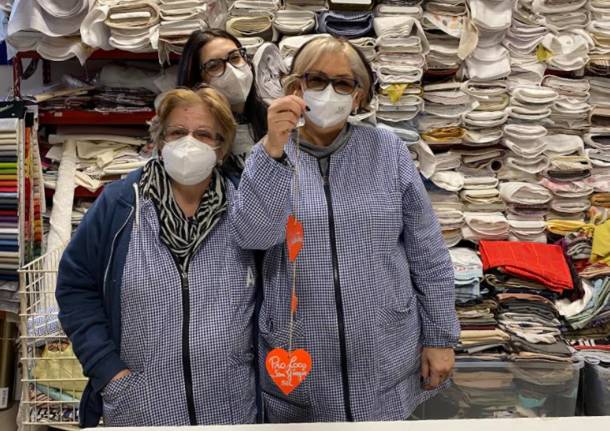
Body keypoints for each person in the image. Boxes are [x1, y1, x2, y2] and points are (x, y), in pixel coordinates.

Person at [230, 36, 460, 422]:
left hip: (385, 346)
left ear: (358, 97)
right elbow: (252, 236)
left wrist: (440, 337)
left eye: (343, 83)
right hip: (300, 352)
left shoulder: (386, 149)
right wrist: (273, 148)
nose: (329, 92)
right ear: (295, 87)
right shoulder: (268, 154)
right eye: (316, 80)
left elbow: (427, 251)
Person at [56, 88, 257, 427]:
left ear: (221, 148)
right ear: (161, 141)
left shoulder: (246, 208)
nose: (189, 143)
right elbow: (76, 288)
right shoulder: (119, 204)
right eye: (177, 132)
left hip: (231, 405)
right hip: (141, 406)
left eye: (204, 134)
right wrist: (108, 371)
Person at [178, 29, 268, 174]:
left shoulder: (268, 116)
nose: (232, 71)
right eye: (214, 66)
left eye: (235, 57)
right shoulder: (192, 136)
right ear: (198, 79)